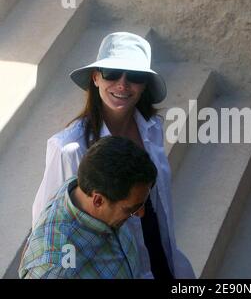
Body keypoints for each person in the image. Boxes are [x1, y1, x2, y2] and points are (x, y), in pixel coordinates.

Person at [31, 32, 195, 279]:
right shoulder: (68, 149)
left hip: (161, 256)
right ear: (96, 78)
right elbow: (49, 226)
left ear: (144, 85)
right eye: (112, 73)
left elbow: (159, 205)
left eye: (135, 76)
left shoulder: (152, 128)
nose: (122, 84)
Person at [20, 136, 157, 279]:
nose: (141, 213)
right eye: (131, 209)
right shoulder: (56, 269)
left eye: (142, 204)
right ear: (98, 201)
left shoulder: (85, 186)